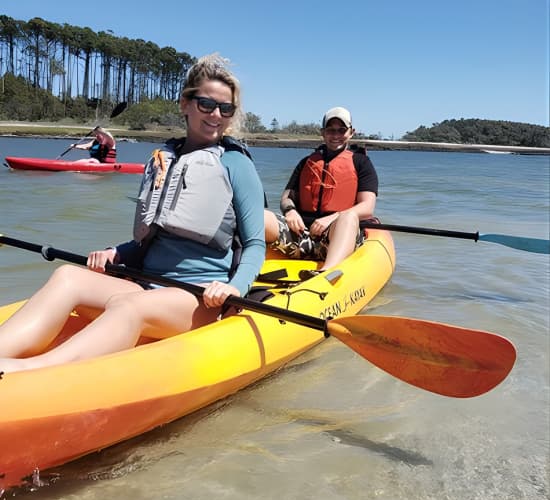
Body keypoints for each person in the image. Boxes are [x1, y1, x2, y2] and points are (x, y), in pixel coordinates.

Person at [0, 54, 266, 374]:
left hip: (197, 298)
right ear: (185, 103)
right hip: (146, 285)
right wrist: (116, 252)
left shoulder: (237, 165)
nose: (216, 115)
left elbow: (255, 244)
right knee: (68, 277)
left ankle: (30, 372)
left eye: (226, 109)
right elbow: (153, 236)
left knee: (129, 307)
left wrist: (234, 288)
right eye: (207, 104)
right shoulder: (163, 161)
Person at [264, 107, 379, 280]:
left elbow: (367, 207)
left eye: (342, 130)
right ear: (323, 133)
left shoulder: (361, 162)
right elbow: (286, 197)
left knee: (348, 218)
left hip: (334, 236)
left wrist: (332, 218)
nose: (336, 135)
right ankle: (240, 267)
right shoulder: (307, 163)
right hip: (301, 235)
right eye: (331, 130)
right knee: (259, 215)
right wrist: (290, 211)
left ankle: (327, 273)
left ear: (351, 132)